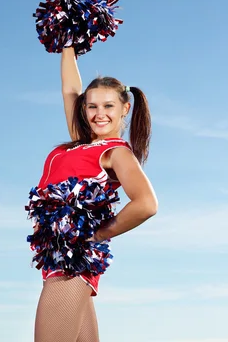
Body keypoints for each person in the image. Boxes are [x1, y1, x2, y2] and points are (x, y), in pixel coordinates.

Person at [28, 46, 159, 342]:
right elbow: (70, 90)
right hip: (56, 255)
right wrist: (68, 47)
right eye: (92, 107)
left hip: (72, 261)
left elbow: (146, 204)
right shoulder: (79, 144)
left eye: (109, 106)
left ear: (125, 108)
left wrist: (96, 235)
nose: (99, 114)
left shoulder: (116, 152)